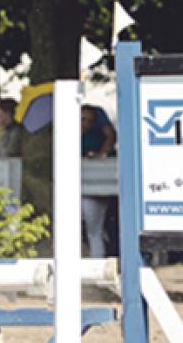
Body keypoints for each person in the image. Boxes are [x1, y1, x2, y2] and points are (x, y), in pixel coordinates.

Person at [80, 104, 117, 258]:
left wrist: (100, 155)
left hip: (93, 187)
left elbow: (109, 141)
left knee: (94, 230)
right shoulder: (65, 138)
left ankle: (97, 263)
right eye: (82, 119)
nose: (85, 124)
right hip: (76, 188)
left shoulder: (95, 138)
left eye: (89, 121)